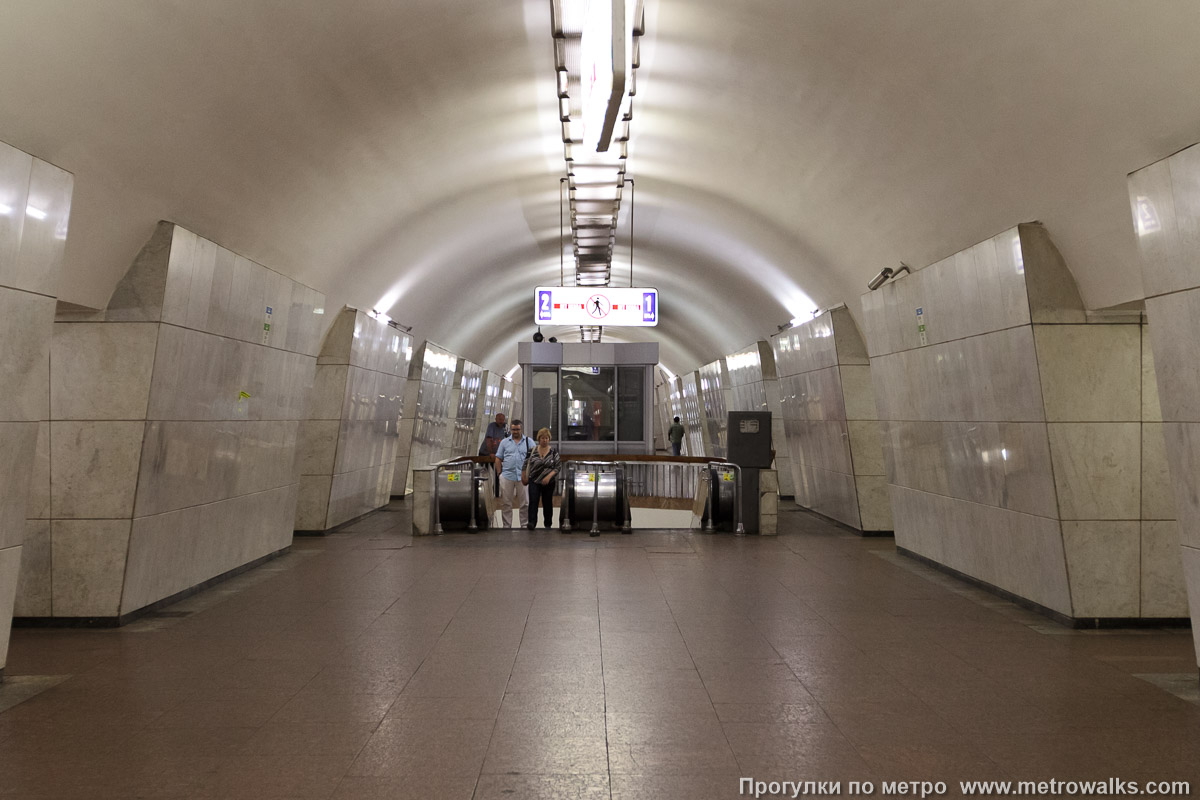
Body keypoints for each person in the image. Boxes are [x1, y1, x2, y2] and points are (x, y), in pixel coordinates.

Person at [494, 419, 533, 528]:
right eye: (513, 429)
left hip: (523, 477)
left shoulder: (529, 442)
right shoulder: (504, 442)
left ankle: (524, 525)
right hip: (507, 476)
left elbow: (534, 459)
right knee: (506, 503)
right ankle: (507, 526)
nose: (515, 432)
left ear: (521, 429)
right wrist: (499, 474)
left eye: (517, 429)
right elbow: (498, 458)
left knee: (525, 503)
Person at [522, 427, 560, 530]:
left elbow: (557, 467)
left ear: (549, 439)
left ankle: (548, 524)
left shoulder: (553, 452)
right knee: (533, 502)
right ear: (539, 439)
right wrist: (523, 476)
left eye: (547, 438)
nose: (545, 440)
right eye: (543, 438)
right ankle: (532, 523)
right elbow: (525, 464)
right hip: (534, 480)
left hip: (549, 482)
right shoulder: (532, 451)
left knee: (547, 503)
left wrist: (548, 476)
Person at [481, 412, 507, 496]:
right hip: (485, 453)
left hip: (496, 455)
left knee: (498, 473)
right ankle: (483, 493)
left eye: (502, 419)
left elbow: (509, 439)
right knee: (484, 474)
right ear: (496, 419)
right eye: (499, 419)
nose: (501, 421)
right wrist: (491, 452)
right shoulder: (491, 426)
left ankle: (496, 494)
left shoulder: (505, 428)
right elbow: (489, 440)